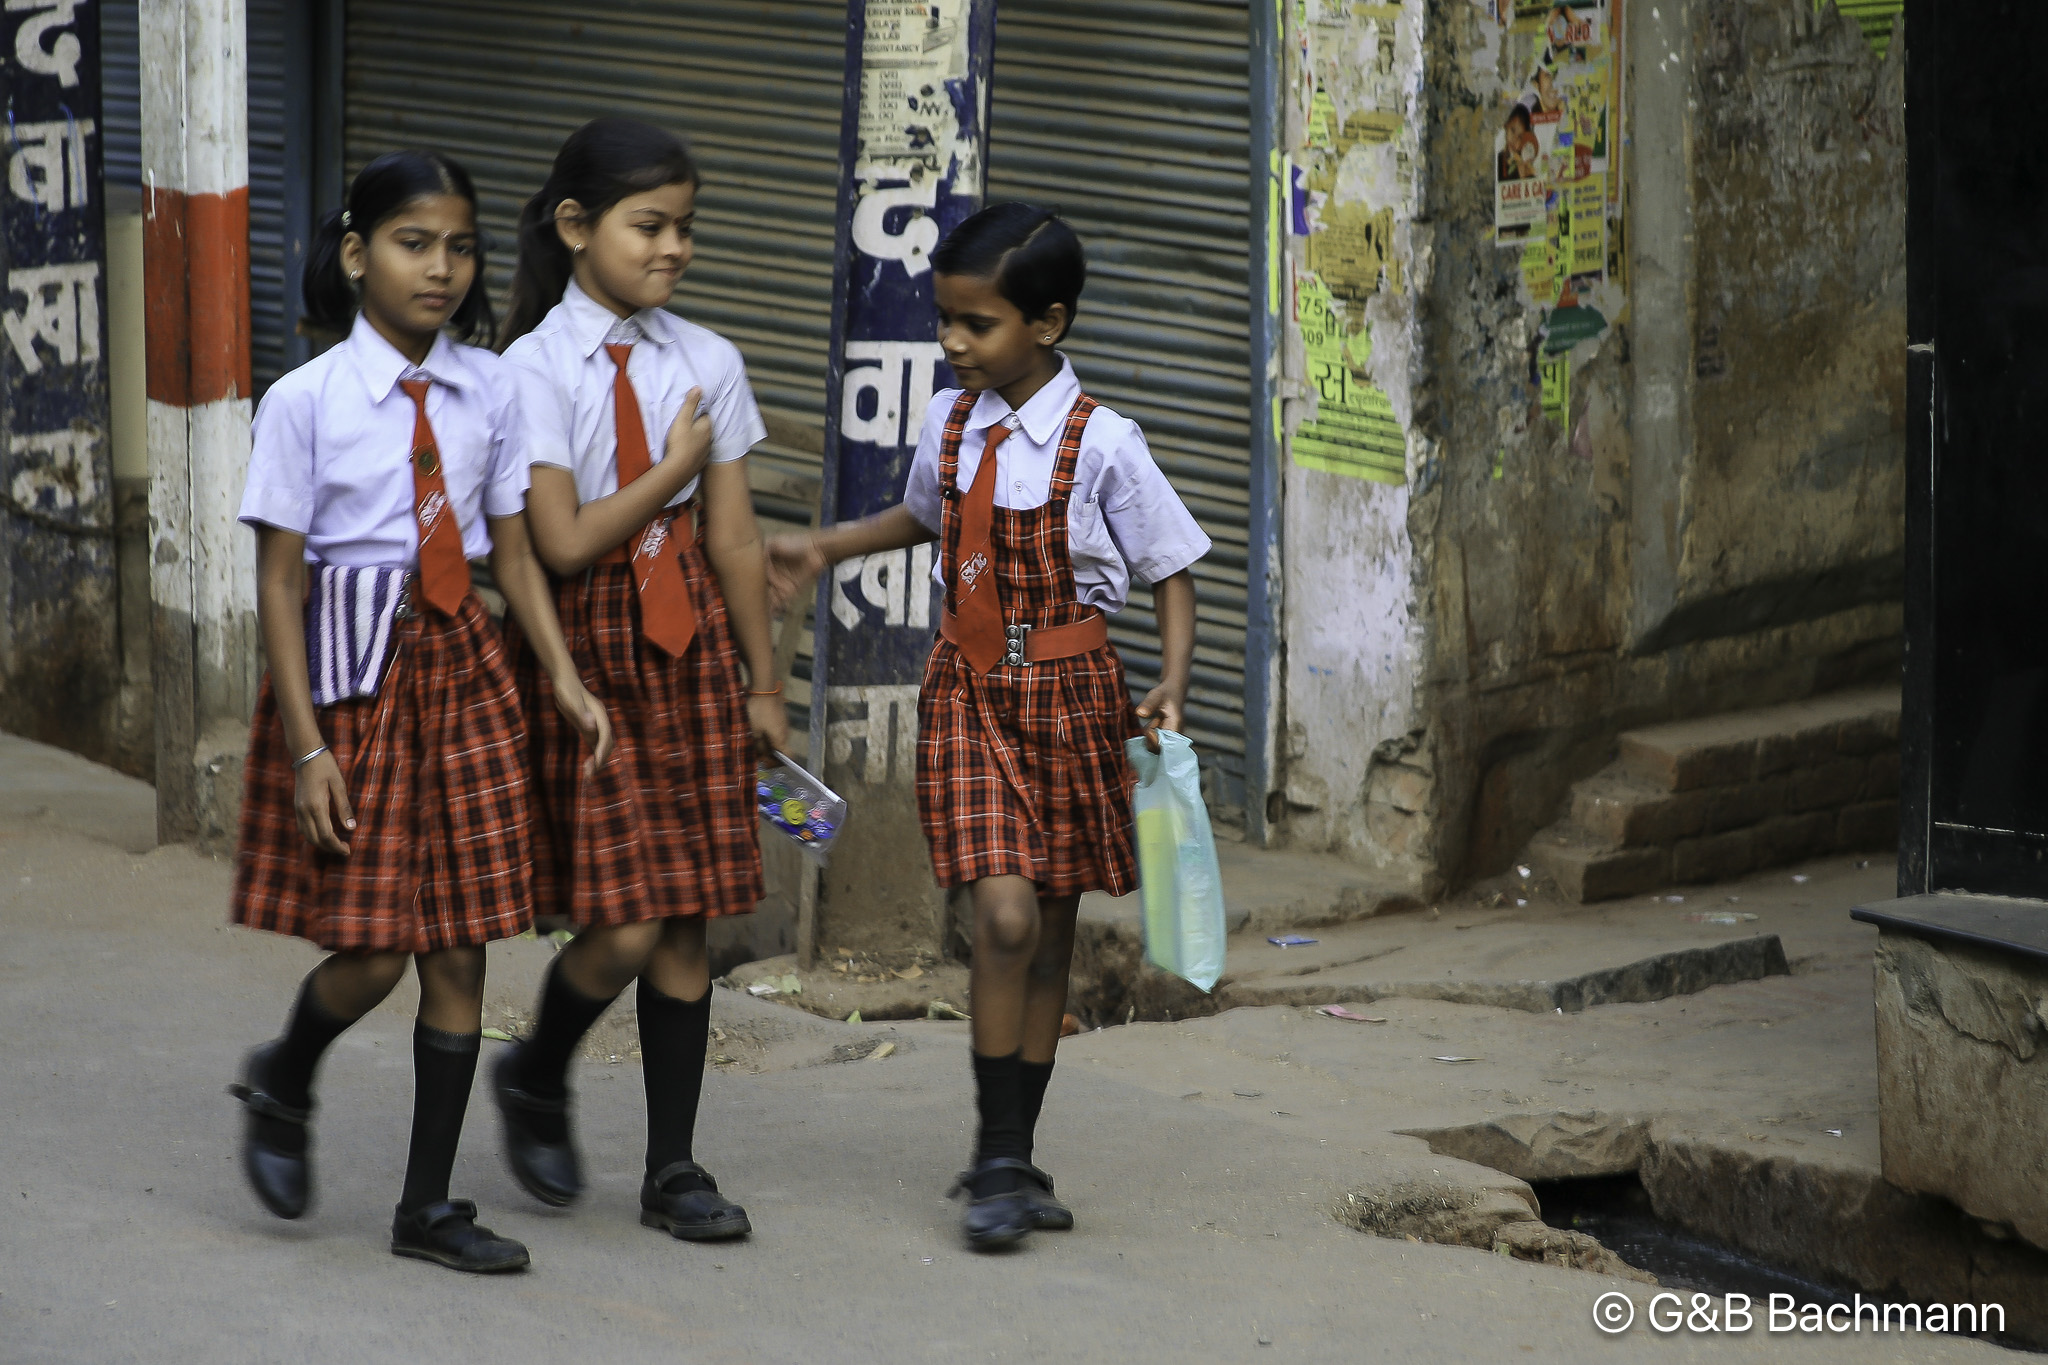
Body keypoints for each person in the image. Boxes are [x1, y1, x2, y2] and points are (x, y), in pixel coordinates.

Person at [764, 204, 1208, 1250]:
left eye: (976, 325)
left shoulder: (1103, 443)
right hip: (966, 692)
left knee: (1051, 924)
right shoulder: (950, 424)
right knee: (1003, 918)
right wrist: (826, 546)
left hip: (1073, 700)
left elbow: (1172, 568)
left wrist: (1174, 684)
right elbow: (920, 515)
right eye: (945, 321)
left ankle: (1008, 1149)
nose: (952, 344)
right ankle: (999, 1154)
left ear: (1045, 324)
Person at [227, 149, 612, 1273]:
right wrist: (306, 746)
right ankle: (286, 1074)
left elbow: (507, 555)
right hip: (350, 688)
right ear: (356, 256)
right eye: (411, 244)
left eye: (458, 247)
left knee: (461, 951)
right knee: (370, 954)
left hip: (464, 674)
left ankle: (426, 1209)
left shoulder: (488, 386)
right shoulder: (303, 403)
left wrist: (560, 675)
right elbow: (280, 582)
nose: (439, 268)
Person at [490, 117, 786, 1243]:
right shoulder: (530, 370)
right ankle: (536, 1066)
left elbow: (735, 538)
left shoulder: (706, 360)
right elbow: (560, 544)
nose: (675, 249)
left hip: (691, 641)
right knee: (617, 922)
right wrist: (668, 464)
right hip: (588, 644)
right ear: (575, 227)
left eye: (685, 228)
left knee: (686, 923)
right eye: (648, 226)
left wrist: (763, 679)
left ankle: (673, 1170)